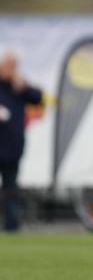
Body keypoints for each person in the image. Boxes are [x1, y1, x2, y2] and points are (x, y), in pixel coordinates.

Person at [0, 51, 43, 232]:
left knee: (11, 188)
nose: (10, 70)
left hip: (12, 148)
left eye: (13, 66)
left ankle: (12, 225)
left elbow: (38, 97)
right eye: (7, 65)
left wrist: (23, 87)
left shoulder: (18, 87)